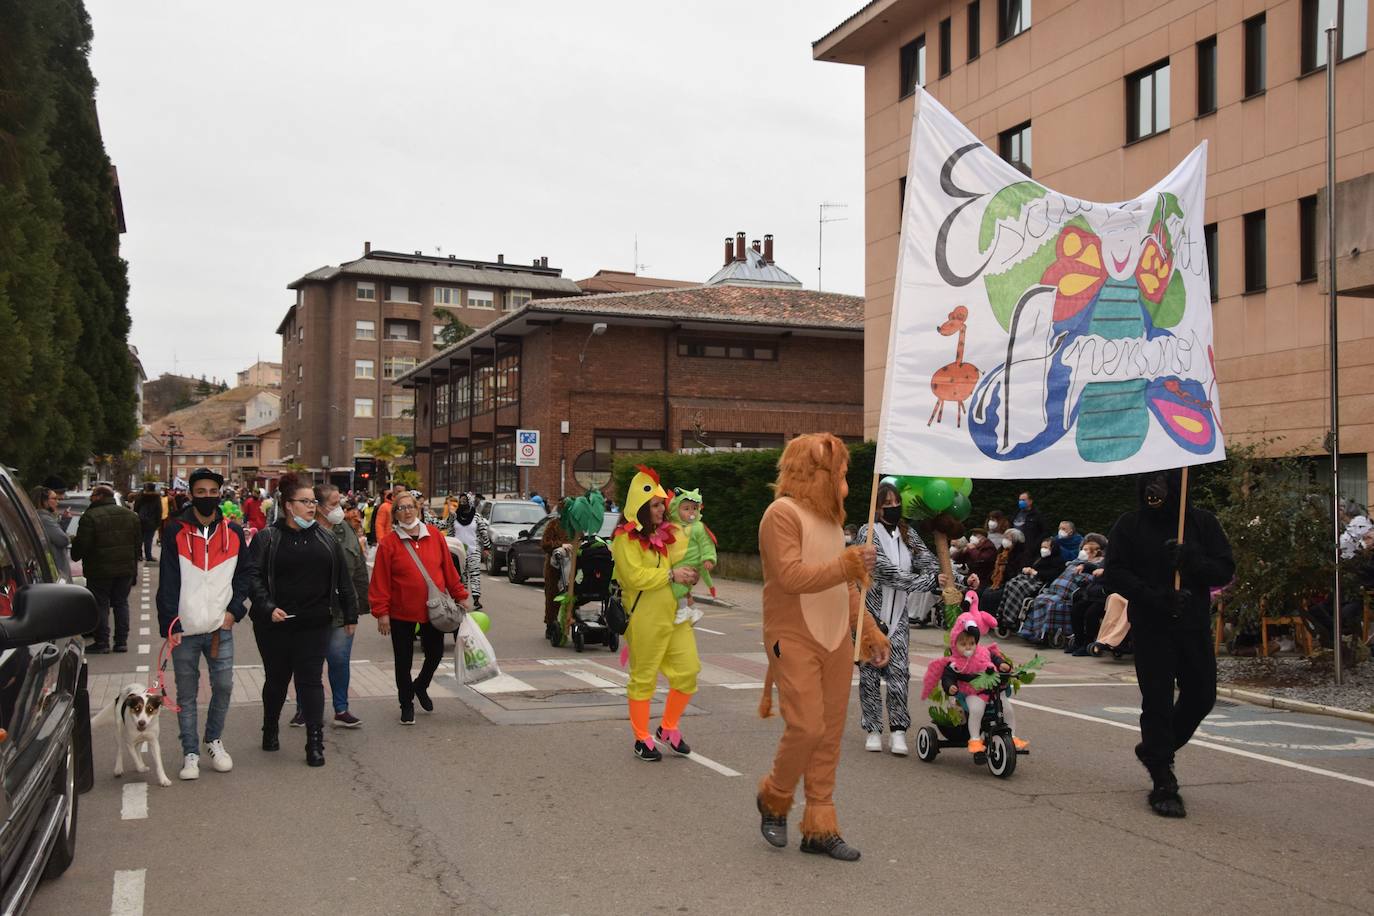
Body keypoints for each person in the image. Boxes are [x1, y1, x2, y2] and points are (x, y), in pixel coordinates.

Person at [755, 434, 887, 862]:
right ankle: (774, 797)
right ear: (815, 473)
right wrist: (844, 564)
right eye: (840, 473)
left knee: (829, 735)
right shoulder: (781, 514)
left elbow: (847, 587)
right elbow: (791, 577)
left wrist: (867, 631)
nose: (845, 481)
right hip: (791, 635)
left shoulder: (831, 522)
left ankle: (820, 825)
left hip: (834, 640)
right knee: (807, 728)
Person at [1105, 469, 1234, 819]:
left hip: (1192, 625)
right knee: (1158, 700)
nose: (1153, 488)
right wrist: (1154, 596)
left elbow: (1225, 569)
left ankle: (1154, 749)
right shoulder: (1129, 525)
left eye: (1161, 481)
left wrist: (1192, 560)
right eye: (1148, 481)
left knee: (1202, 695)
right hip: (1152, 626)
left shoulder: (1202, 523)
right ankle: (1163, 778)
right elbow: (1114, 573)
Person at [249, 474, 357, 767]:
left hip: (315, 622)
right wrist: (267, 606)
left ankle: (314, 741)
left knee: (310, 681)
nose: (312, 506)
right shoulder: (267, 538)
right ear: (288, 505)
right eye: (305, 501)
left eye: (313, 501)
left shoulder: (326, 540)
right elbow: (253, 576)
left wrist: (350, 614)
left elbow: (343, 579)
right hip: (275, 624)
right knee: (277, 680)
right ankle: (270, 727)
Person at [157, 468, 252, 780]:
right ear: (191, 494)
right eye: (201, 491)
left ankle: (213, 739)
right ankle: (190, 753)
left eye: (213, 491)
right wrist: (170, 625)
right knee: (186, 694)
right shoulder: (174, 531)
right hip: (184, 629)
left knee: (223, 687)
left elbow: (245, 576)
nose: (208, 496)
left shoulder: (234, 533)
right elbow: (168, 581)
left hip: (219, 629)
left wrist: (234, 611)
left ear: (220, 494)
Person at [612, 465, 701, 761]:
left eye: (662, 504)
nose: (662, 509)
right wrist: (670, 576)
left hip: (674, 617)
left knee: (688, 671)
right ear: (639, 507)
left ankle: (668, 727)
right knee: (643, 679)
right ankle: (641, 738)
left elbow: (679, 566)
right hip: (644, 619)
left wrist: (690, 574)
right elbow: (632, 576)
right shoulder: (624, 539)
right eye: (654, 505)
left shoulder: (666, 536)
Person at [854, 481, 940, 756]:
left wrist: (957, 578)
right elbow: (888, 574)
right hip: (870, 617)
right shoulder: (867, 534)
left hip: (899, 619)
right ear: (877, 509)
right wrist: (930, 582)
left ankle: (899, 731)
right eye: (887, 505)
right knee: (869, 676)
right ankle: (873, 730)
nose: (893, 508)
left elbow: (929, 562)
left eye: (896, 503)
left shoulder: (907, 533)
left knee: (899, 675)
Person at [369, 490, 469, 724]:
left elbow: (449, 570)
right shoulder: (389, 544)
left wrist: (461, 595)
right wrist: (381, 612)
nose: (406, 511)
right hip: (400, 612)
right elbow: (380, 581)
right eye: (401, 508)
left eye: (410, 507)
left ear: (418, 508)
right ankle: (406, 704)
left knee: (434, 654)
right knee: (402, 661)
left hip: (433, 610)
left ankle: (420, 685)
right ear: (395, 514)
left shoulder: (434, 535)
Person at [289, 485, 368, 729]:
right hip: (310, 610)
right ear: (319, 506)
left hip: (342, 610)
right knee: (307, 662)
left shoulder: (345, 530)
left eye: (340, 503)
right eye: (334, 504)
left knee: (339, 660)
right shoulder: (302, 530)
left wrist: (360, 607)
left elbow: (359, 569)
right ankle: (304, 708)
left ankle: (341, 709)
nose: (339, 509)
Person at [921, 603, 1028, 754]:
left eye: (971, 643)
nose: (968, 647)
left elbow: (994, 659)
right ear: (955, 644)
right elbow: (948, 677)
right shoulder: (955, 663)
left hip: (993, 690)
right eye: (963, 644)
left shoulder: (983, 652)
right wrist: (950, 686)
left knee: (1008, 710)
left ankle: (1012, 736)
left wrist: (1003, 664)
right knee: (977, 710)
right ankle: (975, 739)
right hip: (972, 692)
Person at [72, 485, 141, 654]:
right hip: (125, 568)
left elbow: (82, 544)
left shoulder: (90, 516)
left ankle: (102, 642)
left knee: (100, 604)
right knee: (121, 603)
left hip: (99, 569)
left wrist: (76, 554)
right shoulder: (130, 516)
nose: (90, 497)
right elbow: (136, 544)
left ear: (100, 496)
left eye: (93, 494)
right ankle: (121, 642)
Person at [668, 487, 717, 625]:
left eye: (695, 508)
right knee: (683, 589)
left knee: (679, 587)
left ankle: (684, 610)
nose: (691, 512)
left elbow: (707, 544)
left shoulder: (698, 527)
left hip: (690, 562)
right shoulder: (672, 526)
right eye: (686, 508)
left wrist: (709, 558)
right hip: (678, 562)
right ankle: (692, 610)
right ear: (675, 510)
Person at [443, 493, 490, 611]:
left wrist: (487, 547)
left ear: (470, 502)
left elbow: (484, 532)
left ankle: (476, 599)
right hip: (458, 552)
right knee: (461, 577)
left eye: (465, 500)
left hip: (473, 550)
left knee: (475, 575)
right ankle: (462, 599)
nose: (463, 502)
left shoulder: (477, 517)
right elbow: (449, 530)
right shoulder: (454, 517)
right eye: (461, 500)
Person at [30, 486, 72, 580]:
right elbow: (62, 540)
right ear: (44, 501)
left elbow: (55, 534)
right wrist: (68, 537)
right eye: (54, 498)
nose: (57, 502)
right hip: (57, 568)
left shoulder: (45, 517)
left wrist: (64, 521)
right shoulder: (44, 519)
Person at [133, 482, 164, 563]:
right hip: (152, 521)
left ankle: (139, 555)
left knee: (139, 539)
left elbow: (136, 508)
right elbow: (159, 510)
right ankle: (148, 556)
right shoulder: (156, 497)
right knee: (148, 540)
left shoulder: (140, 496)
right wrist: (158, 522)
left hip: (140, 520)